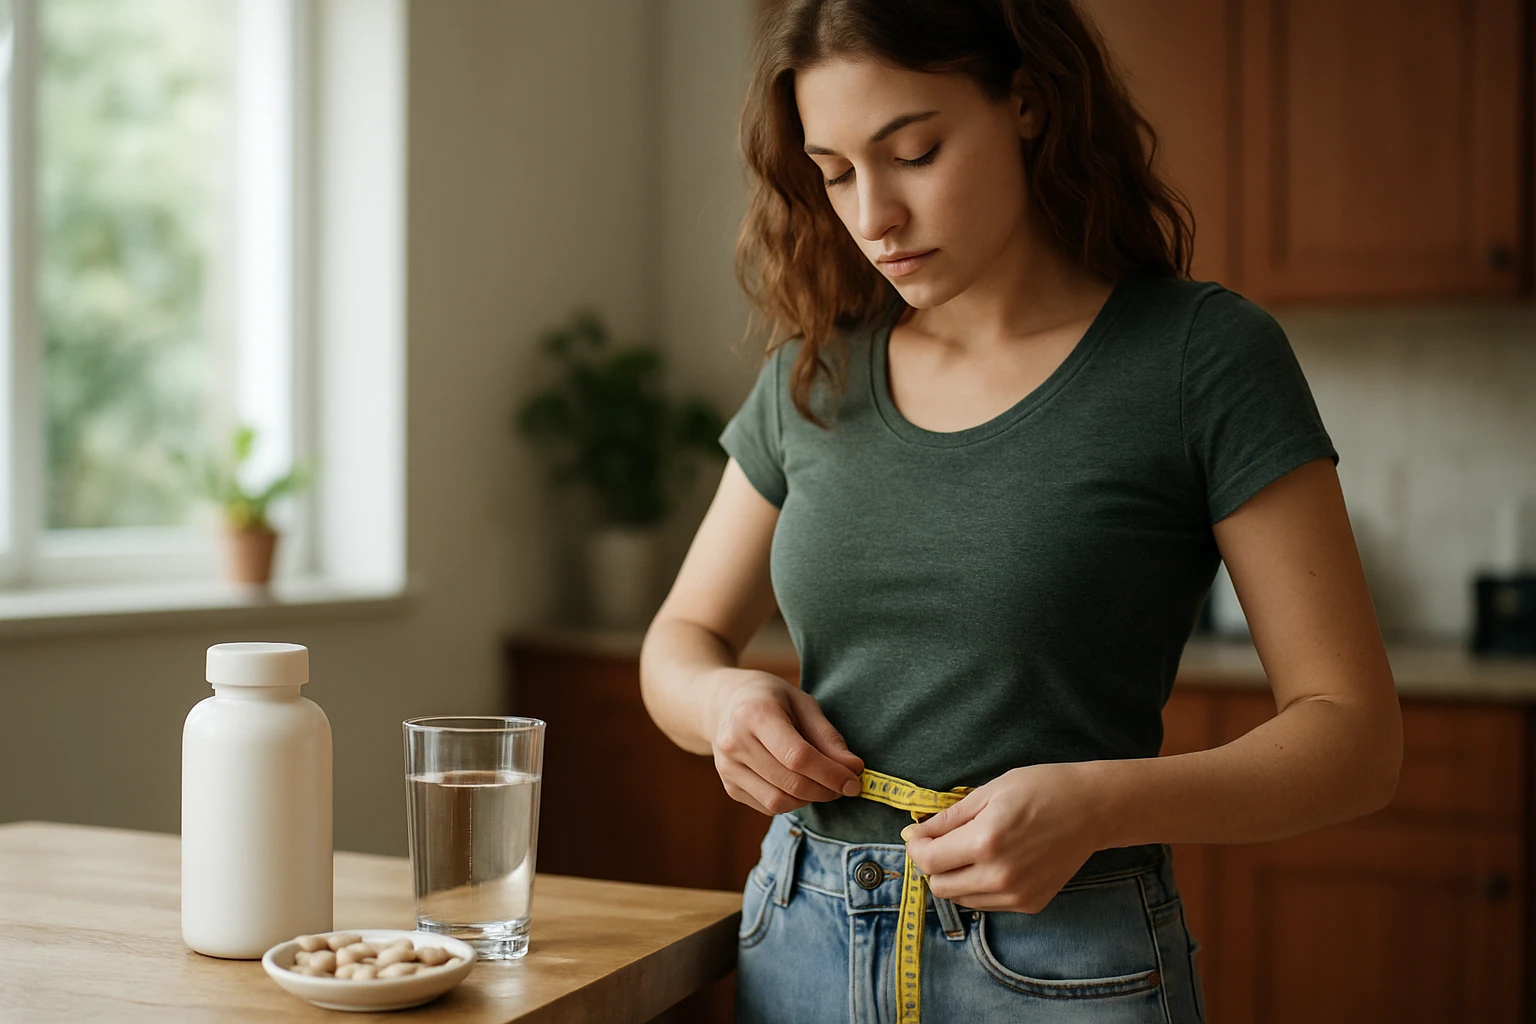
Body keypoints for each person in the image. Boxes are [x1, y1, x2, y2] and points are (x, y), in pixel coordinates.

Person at [638, 1, 1403, 1021]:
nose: (873, 216)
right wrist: (722, 704)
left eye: (913, 151)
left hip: (1068, 962)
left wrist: (1102, 801)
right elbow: (678, 642)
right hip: (802, 937)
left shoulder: (1198, 358)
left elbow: (1355, 738)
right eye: (833, 172)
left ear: (1030, 103)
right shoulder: (813, 373)